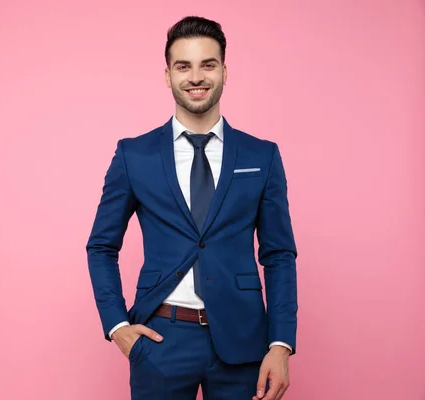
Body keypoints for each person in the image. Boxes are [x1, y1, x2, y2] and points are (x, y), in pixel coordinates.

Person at [85, 15, 298, 400]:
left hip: (244, 342)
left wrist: (280, 344)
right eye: (183, 66)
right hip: (161, 341)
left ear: (224, 71)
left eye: (208, 64)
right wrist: (117, 326)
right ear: (167, 75)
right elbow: (101, 246)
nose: (196, 77)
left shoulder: (262, 155)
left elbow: (279, 254)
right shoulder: (134, 155)